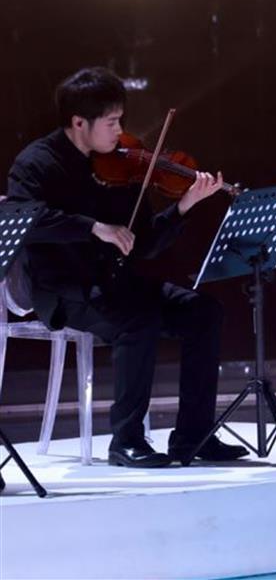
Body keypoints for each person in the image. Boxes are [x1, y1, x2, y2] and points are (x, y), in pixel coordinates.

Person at [6, 67, 248, 467]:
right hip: (63, 289)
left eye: (121, 120)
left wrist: (184, 205)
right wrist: (93, 227)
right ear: (79, 122)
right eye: (112, 122)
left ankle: (194, 436)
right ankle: (126, 440)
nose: (120, 132)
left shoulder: (120, 165)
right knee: (138, 320)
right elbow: (24, 221)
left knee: (204, 312)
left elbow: (145, 244)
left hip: (115, 284)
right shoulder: (36, 163)